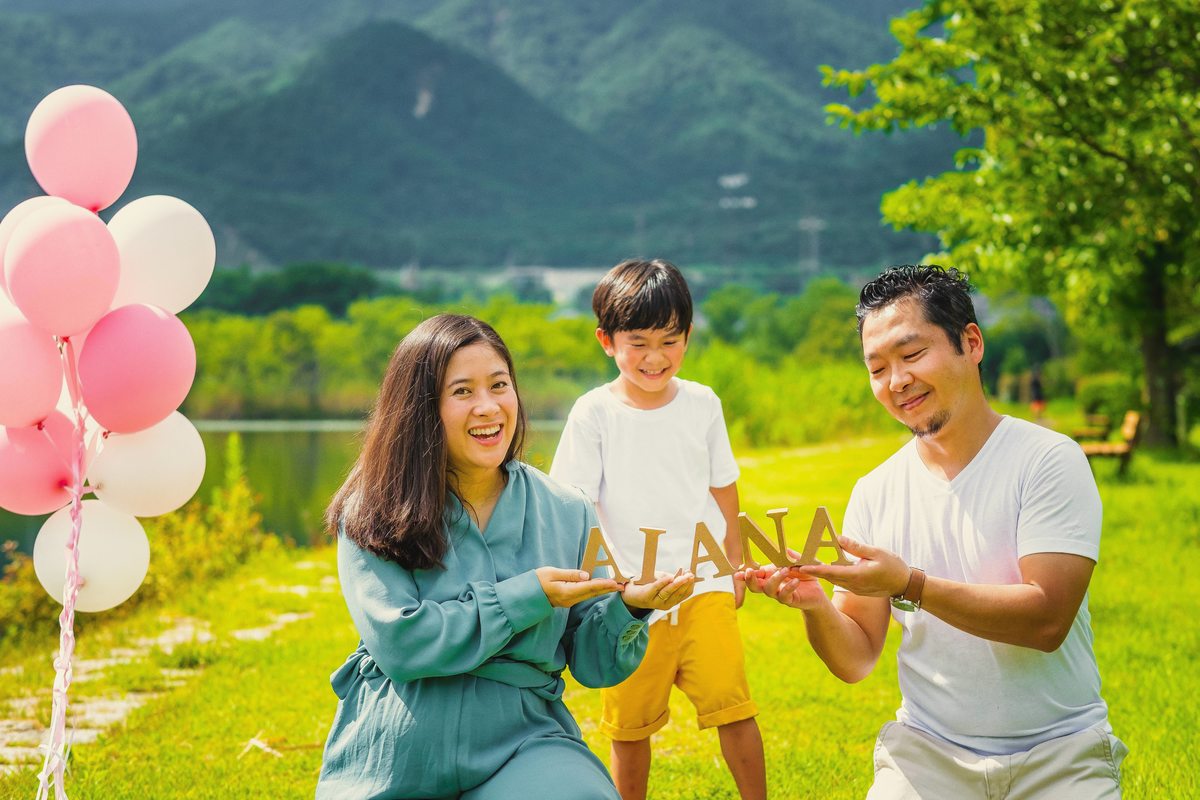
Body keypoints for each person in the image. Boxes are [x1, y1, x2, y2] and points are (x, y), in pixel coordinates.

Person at [741, 265, 1127, 799]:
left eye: (912, 355)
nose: (896, 381)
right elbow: (855, 658)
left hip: (1059, 754)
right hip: (928, 756)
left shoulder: (1047, 460)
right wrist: (815, 606)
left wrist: (909, 585)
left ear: (971, 343)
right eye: (877, 368)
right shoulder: (875, 491)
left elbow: (1047, 620)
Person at [315, 313, 695, 800]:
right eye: (462, 392)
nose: (488, 407)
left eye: (499, 385)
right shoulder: (373, 508)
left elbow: (594, 664)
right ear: (419, 408)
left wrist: (632, 607)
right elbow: (403, 644)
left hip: (524, 742)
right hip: (397, 751)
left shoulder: (568, 510)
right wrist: (527, 597)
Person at [551, 259, 767, 800]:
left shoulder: (702, 404)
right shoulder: (593, 413)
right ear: (607, 340)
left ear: (688, 337)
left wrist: (734, 565)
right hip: (631, 598)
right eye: (638, 342)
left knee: (734, 708)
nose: (655, 358)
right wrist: (604, 584)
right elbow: (575, 503)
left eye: (670, 341)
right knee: (630, 728)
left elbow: (724, 488)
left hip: (704, 586)